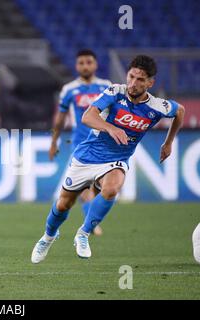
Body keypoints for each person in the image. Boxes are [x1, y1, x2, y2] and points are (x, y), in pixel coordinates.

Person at [31, 55, 185, 262]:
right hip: (87, 156)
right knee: (63, 205)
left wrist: (168, 142)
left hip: (117, 159)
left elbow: (180, 111)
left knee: (112, 188)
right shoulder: (115, 91)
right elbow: (87, 116)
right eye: (131, 76)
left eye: (140, 79)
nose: (133, 83)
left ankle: (83, 234)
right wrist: (111, 128)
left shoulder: (158, 106)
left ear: (150, 82)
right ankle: (48, 237)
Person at [49, 49, 111, 236]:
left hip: (103, 144)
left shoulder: (106, 87)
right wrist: (54, 141)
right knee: (84, 187)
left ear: (95, 64)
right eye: (81, 63)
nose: (85, 66)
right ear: (76, 66)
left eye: (88, 62)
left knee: (99, 187)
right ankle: (91, 224)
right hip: (80, 144)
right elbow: (60, 118)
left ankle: (89, 221)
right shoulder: (69, 89)